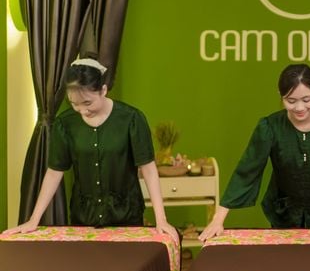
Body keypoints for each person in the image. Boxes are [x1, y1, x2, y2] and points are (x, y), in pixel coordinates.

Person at [199, 63, 310, 241]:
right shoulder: (270, 127)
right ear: (281, 96)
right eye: (291, 101)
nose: (299, 108)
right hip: (282, 211)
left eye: (307, 100)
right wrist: (217, 220)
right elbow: (246, 171)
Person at [4, 58, 179, 242]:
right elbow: (55, 172)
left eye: (87, 103)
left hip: (126, 216)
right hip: (83, 218)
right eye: (74, 103)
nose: (82, 111)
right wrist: (34, 220)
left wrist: (161, 220)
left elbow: (149, 169)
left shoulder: (131, 119)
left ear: (103, 90)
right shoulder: (65, 124)